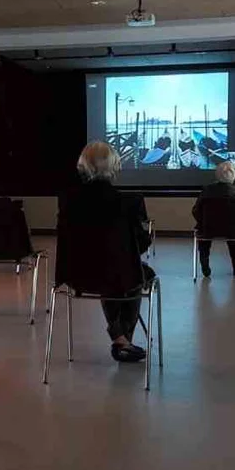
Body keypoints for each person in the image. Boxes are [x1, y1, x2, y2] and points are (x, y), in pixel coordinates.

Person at [57, 142, 152, 363]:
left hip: (76, 275)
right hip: (117, 276)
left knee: (111, 272)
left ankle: (121, 339)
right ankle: (122, 339)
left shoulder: (67, 199)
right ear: (113, 166)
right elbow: (141, 245)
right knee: (136, 275)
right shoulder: (129, 202)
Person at [192, 161, 235, 277]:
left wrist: (202, 222)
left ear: (217, 175)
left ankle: (205, 266)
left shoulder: (206, 191)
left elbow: (196, 211)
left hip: (208, 229)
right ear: (233, 175)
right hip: (233, 231)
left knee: (203, 237)